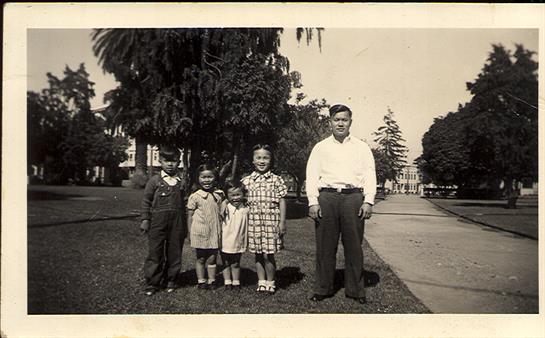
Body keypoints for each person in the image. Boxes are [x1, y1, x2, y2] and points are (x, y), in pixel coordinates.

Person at [305, 104, 377, 304]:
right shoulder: (320, 147)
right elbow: (311, 176)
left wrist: (369, 201)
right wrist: (313, 202)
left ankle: (356, 290)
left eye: (344, 119)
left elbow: (370, 175)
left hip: (353, 197)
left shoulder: (362, 147)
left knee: (354, 246)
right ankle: (322, 288)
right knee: (325, 246)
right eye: (336, 119)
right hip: (327, 197)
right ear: (330, 122)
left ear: (350, 122)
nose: (340, 123)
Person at [140, 146, 187, 296]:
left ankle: (171, 280)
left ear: (178, 162)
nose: (170, 164)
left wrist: (187, 224)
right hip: (157, 223)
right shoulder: (154, 180)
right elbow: (146, 201)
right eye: (166, 160)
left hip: (177, 222)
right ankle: (153, 283)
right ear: (160, 161)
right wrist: (145, 219)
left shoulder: (182, 181)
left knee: (174, 252)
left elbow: (186, 203)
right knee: (155, 252)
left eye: (174, 161)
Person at [241, 144, 287, 294]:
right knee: (258, 254)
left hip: (271, 222)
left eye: (265, 158)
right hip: (254, 222)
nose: (262, 161)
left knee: (269, 254)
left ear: (271, 160)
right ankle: (261, 281)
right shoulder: (247, 181)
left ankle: (270, 281)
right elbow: (239, 200)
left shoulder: (276, 180)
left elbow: (282, 201)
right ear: (253, 160)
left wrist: (282, 222)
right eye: (258, 157)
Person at [187, 163, 224, 290]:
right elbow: (190, 215)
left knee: (213, 257)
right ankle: (201, 281)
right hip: (200, 231)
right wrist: (189, 232)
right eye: (203, 177)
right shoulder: (195, 196)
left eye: (210, 177)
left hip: (214, 231)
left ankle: (212, 281)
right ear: (198, 178)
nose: (207, 180)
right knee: (201, 257)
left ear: (215, 178)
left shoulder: (219, 195)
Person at [220, 181, 249, 290]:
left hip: (238, 239)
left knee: (236, 262)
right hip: (225, 239)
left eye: (238, 194)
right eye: (232, 195)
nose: (235, 198)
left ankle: (236, 282)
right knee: (226, 262)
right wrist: (224, 202)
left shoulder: (246, 208)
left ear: (243, 194)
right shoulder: (225, 207)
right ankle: (227, 282)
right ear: (227, 196)